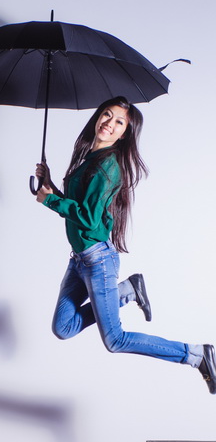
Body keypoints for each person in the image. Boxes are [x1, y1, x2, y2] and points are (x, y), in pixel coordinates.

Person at [35, 96, 216, 394]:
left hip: (98, 262)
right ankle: (127, 290)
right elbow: (78, 206)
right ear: (98, 116)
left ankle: (196, 354)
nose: (110, 123)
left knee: (115, 340)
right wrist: (50, 185)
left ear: (124, 133)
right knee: (63, 327)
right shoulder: (90, 159)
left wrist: (51, 201)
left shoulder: (108, 165)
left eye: (119, 122)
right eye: (107, 115)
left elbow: (89, 219)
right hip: (79, 260)